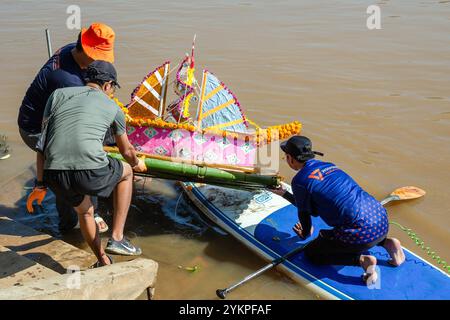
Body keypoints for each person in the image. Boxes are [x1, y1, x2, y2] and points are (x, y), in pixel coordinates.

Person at [35, 61, 147, 264]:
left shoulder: (57, 95)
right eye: (113, 89)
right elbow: (127, 151)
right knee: (127, 172)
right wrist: (137, 163)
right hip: (90, 170)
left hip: (54, 173)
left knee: (85, 212)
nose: (112, 94)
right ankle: (118, 238)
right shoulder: (112, 107)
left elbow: (42, 144)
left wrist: (40, 183)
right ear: (108, 85)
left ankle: (102, 259)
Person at [20, 22, 115, 233]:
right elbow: (72, 122)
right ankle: (70, 221)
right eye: (98, 56)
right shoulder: (67, 81)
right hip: (35, 128)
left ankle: (89, 205)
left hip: (55, 114)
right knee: (68, 165)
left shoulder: (72, 50)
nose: (100, 62)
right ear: (87, 51)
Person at [272, 135, 405, 284]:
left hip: (362, 234)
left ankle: (362, 260)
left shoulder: (300, 181)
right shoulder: (330, 165)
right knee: (357, 222)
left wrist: (304, 233)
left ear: (290, 158)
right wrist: (284, 193)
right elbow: (315, 208)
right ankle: (388, 243)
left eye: (286, 156)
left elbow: (306, 213)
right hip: (381, 219)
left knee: (313, 253)